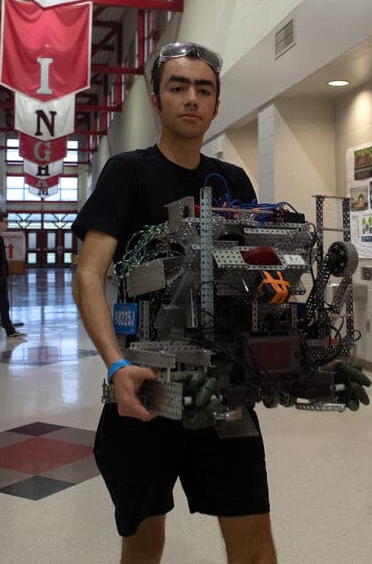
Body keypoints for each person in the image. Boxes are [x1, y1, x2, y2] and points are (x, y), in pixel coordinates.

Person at [72, 42, 277, 563]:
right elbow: (90, 274)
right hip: (144, 389)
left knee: (255, 544)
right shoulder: (128, 173)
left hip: (222, 392)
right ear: (156, 99)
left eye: (203, 89)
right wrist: (116, 364)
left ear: (216, 104)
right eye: (178, 87)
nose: (191, 98)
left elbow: (261, 278)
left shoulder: (232, 182)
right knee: (143, 544)